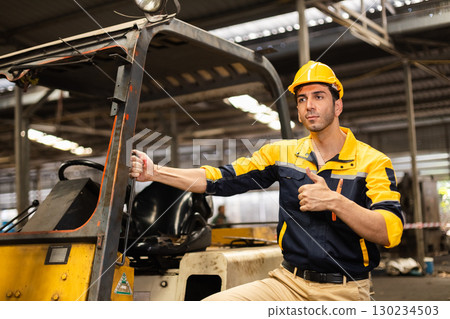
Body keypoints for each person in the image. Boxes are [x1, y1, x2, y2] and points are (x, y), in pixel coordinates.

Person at [129, 60, 404, 301]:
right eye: (302, 99)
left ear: (338, 104)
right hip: (287, 283)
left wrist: (335, 201)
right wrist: (155, 173)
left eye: (319, 96)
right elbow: (220, 179)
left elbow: (390, 231)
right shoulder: (281, 154)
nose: (309, 105)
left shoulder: (373, 162)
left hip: (343, 290)